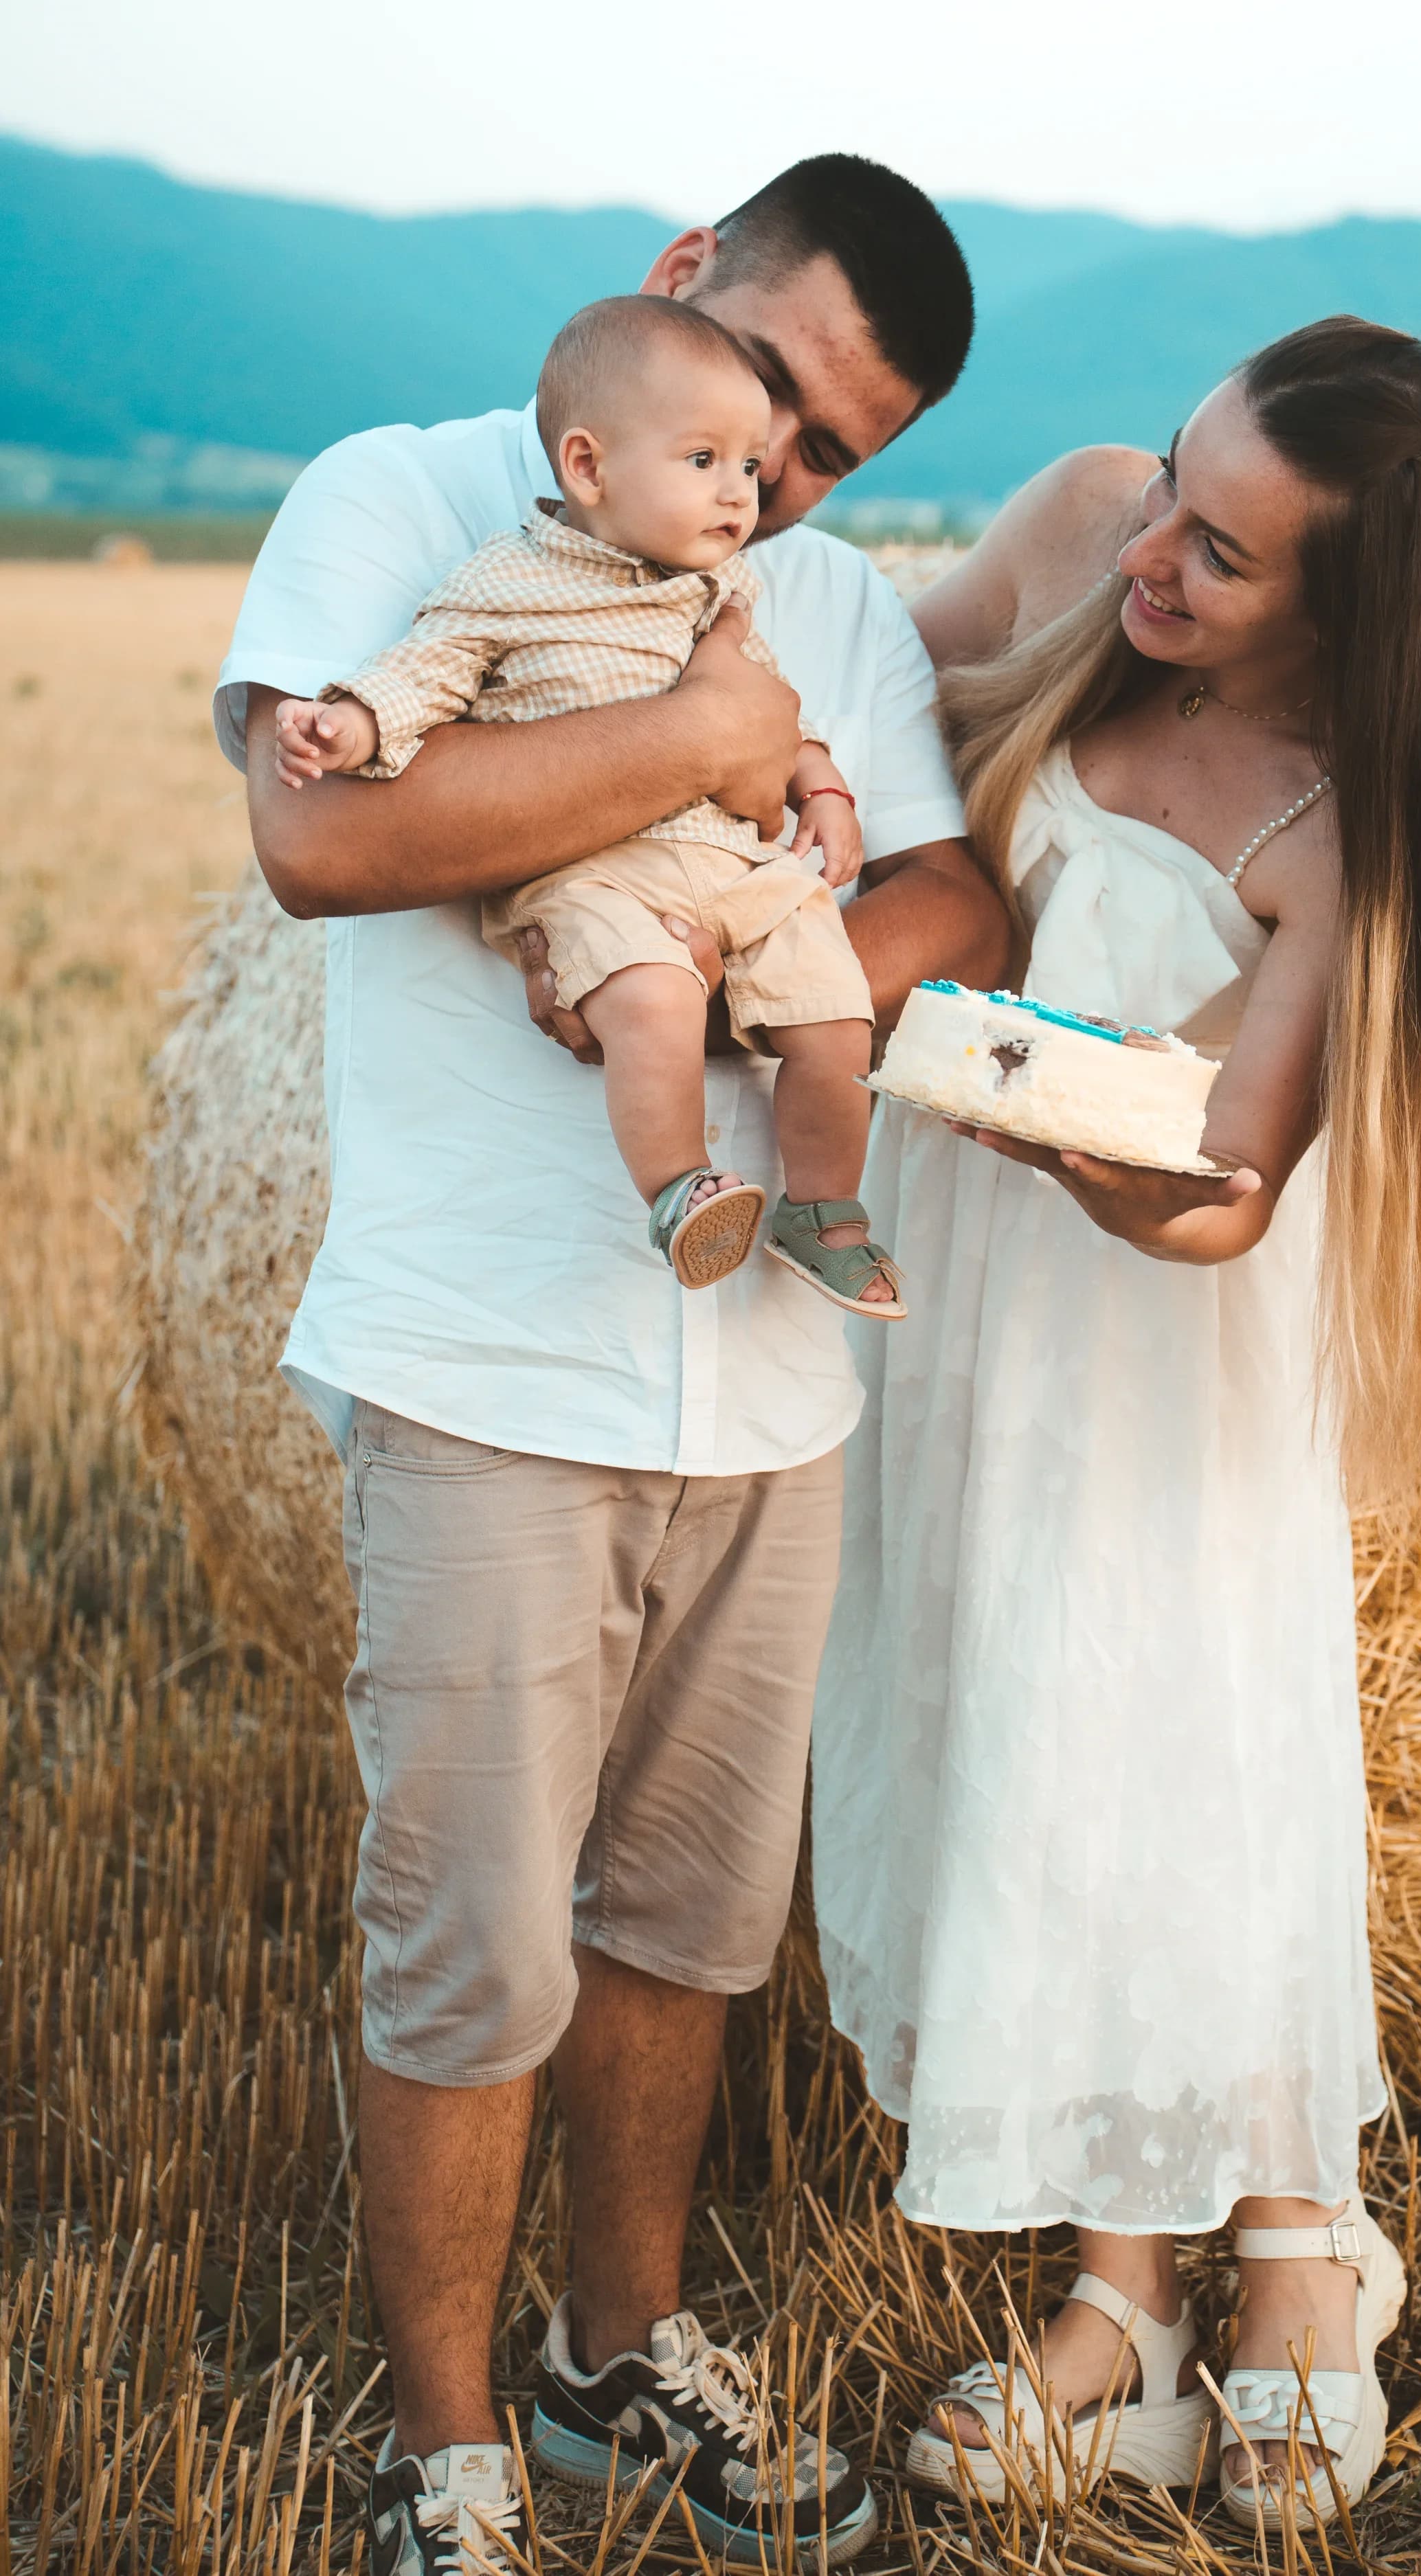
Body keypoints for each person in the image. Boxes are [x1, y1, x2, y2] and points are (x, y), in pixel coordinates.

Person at [216, 155, 1007, 2573]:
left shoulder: (831, 596)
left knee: (683, 1922)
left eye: (841, 454)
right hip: (489, 1364)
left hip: (771, 1378)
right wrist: (711, 745)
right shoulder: (410, 502)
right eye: (770, 391)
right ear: (686, 284)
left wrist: (767, 931)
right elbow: (328, 836)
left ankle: (612, 2360)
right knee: (469, 1928)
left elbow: (953, 889)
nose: (783, 467)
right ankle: (442, 2432)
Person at [812, 317, 1421, 2533]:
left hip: (1149, 1330)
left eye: (1223, 554)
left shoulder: (1350, 817)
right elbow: (829, 692)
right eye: (1172, 494)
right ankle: (1118, 2298)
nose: (1155, 556)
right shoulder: (1085, 533)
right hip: (958, 1317)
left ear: (1349, 610)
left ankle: (1299, 2233)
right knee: (1021, 1740)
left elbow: (1219, 1189)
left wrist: (1069, 1138)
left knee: (1187, 1742)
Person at [273, 295, 902, 1314]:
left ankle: (822, 1211)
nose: (744, 490)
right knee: (653, 1000)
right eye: (706, 459)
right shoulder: (508, 580)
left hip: (732, 867)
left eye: (750, 466)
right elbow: (424, 674)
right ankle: (679, 1189)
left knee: (837, 1014)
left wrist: (818, 783)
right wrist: (346, 725)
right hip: (595, 875)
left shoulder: (716, 594)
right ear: (588, 466)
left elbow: (773, 714)